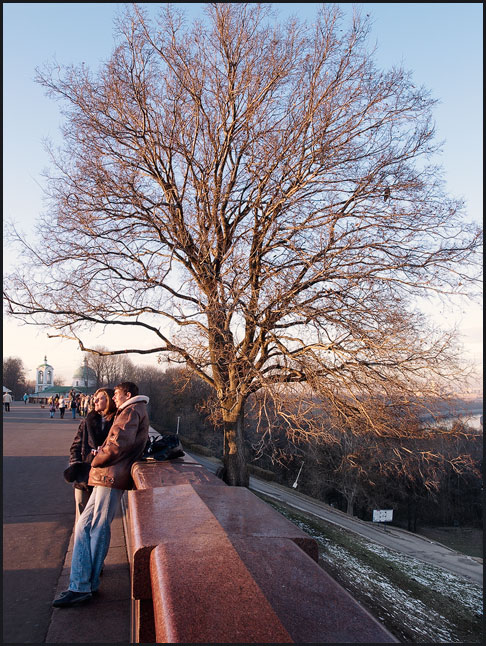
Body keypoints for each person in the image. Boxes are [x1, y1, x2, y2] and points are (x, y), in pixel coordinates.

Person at [53, 381, 149, 608]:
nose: (114, 398)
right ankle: (82, 583)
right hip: (108, 475)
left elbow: (117, 445)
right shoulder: (132, 410)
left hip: (110, 475)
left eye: (116, 394)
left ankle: (82, 586)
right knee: (86, 526)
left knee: (95, 527)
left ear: (127, 394)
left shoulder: (131, 410)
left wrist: (94, 460)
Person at [64, 389, 116, 522]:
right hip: (84, 474)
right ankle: (81, 543)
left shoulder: (117, 422)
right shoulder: (88, 421)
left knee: (99, 519)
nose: (95, 401)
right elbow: (75, 446)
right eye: (95, 398)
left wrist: (104, 452)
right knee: (81, 519)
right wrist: (75, 465)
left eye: (100, 398)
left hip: (104, 476)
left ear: (109, 400)